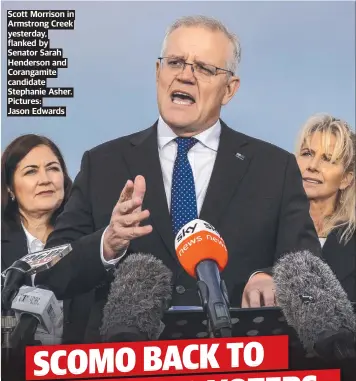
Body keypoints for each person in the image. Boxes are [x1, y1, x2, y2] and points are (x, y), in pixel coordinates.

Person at [35, 16, 321, 343]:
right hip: (126, 363)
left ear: (229, 89)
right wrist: (107, 243)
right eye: (175, 62)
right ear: (158, 72)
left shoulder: (275, 168)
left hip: (238, 358)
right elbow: (51, 271)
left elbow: (308, 268)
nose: (185, 75)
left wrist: (271, 278)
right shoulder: (103, 163)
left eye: (204, 68)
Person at [1, 134, 92, 345]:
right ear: (9, 186)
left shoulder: (90, 241)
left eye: (53, 168)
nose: (45, 179)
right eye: (31, 171)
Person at [295, 114, 355, 301]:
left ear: (346, 179)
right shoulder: (270, 227)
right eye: (307, 154)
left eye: (328, 159)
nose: (312, 166)